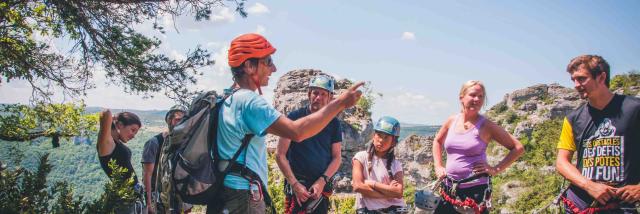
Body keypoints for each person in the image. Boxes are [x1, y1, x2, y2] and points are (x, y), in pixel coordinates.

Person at [206, 33, 363, 214]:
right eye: (268, 61)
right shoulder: (250, 102)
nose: (273, 68)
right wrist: (340, 103)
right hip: (242, 195)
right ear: (249, 66)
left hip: (223, 189)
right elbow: (297, 132)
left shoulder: (226, 98)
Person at [555, 55, 640, 213]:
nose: (576, 85)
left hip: (622, 206)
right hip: (581, 204)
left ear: (601, 77)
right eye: (573, 79)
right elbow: (562, 162)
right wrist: (589, 186)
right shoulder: (573, 118)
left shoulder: (634, 109)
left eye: (581, 79)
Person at [432, 80, 524, 213]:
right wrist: (438, 166)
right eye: (473, 95)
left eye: (481, 96)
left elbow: (518, 147)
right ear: (461, 97)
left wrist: (495, 169)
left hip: (475, 192)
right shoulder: (452, 120)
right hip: (448, 187)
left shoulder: (486, 126)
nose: (477, 99)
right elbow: (437, 141)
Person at [275, 75, 342, 214]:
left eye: (323, 94)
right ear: (309, 94)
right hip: (297, 186)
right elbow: (280, 154)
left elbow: (337, 157)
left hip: (320, 190)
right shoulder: (294, 118)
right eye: (315, 93)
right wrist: (294, 184)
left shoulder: (334, 123)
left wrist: (322, 181)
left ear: (330, 97)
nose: (318, 97)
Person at [141, 105, 191, 214]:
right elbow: (147, 176)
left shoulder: (184, 144)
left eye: (184, 120)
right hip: (158, 200)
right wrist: (149, 204)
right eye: (178, 119)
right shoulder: (154, 143)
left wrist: (188, 203)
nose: (181, 123)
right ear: (169, 120)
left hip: (178, 199)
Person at [352, 116, 407, 214]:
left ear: (393, 142)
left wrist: (372, 184)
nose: (381, 140)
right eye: (379, 135)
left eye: (386, 137)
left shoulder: (396, 164)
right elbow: (358, 186)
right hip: (368, 210)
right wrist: (389, 192)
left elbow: (398, 192)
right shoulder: (360, 157)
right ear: (373, 136)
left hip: (395, 209)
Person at [97, 109, 143, 213]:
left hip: (132, 197)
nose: (133, 135)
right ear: (120, 125)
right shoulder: (106, 143)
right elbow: (105, 112)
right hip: (124, 201)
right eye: (132, 130)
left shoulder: (115, 143)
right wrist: (115, 119)